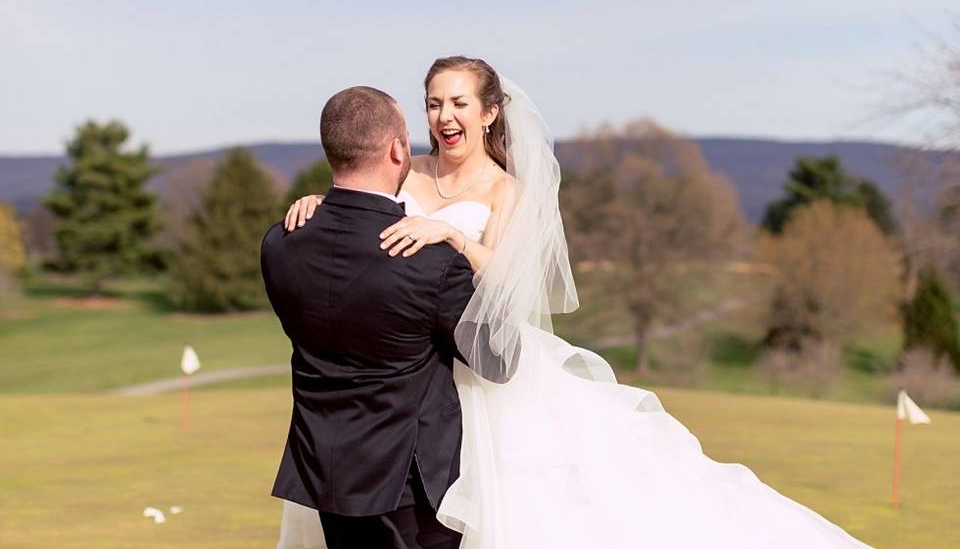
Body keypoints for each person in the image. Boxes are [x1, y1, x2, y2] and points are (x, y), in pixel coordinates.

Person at [280, 57, 875, 548]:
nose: (444, 116)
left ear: (489, 114)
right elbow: (364, 201)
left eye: (459, 103)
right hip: (415, 371)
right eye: (434, 103)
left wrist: (455, 236)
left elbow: (510, 282)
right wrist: (318, 203)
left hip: (484, 370)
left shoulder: (505, 190)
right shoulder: (408, 173)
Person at [261, 85, 513, 549]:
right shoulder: (430, 262)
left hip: (325, 471)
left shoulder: (281, 242)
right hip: (410, 484)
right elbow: (498, 359)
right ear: (398, 151)